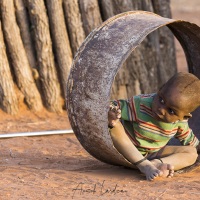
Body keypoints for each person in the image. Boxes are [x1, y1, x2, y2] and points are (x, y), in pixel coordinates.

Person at [108, 72, 200, 181]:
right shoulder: (141, 104)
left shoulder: (180, 123)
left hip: (152, 155)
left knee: (192, 153)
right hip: (127, 149)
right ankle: (144, 166)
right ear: (159, 90)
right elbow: (115, 105)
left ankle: (156, 164)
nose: (161, 109)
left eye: (171, 111)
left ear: (184, 116)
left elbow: (190, 140)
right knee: (114, 125)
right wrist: (112, 114)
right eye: (161, 100)